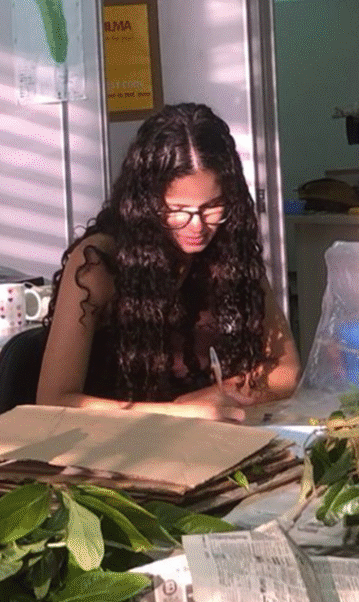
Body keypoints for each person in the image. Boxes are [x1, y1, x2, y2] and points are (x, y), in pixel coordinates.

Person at [37, 103, 300, 420]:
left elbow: (287, 369)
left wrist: (221, 393)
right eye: (177, 210)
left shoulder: (231, 251)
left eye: (212, 207)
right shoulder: (97, 265)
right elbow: (52, 400)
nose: (197, 226)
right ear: (147, 203)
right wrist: (180, 412)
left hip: (212, 435)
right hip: (116, 439)